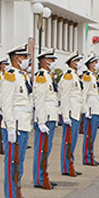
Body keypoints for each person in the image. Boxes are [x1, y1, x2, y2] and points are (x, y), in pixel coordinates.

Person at [0, 44, 33, 198]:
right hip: (15, 125)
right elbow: (6, 103)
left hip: (24, 124)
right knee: (12, 160)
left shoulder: (22, 76)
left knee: (20, 160)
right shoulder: (10, 75)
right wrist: (10, 126)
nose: (28, 60)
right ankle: (11, 193)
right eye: (25, 57)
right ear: (17, 59)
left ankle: (17, 189)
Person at [32, 50, 59, 190]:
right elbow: (39, 100)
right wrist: (41, 121)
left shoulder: (49, 76)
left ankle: (44, 175)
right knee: (41, 149)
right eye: (51, 59)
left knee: (46, 149)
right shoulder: (41, 76)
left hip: (51, 116)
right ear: (44, 60)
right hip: (46, 117)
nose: (54, 62)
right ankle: (38, 178)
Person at [59, 53, 83, 177]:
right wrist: (65, 115)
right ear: (72, 62)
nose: (79, 63)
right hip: (70, 112)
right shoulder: (68, 76)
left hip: (76, 111)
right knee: (67, 141)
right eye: (77, 60)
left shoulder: (75, 76)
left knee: (72, 141)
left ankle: (70, 164)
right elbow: (64, 96)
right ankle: (66, 167)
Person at [80, 55, 99, 166]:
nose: (97, 64)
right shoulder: (88, 76)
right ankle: (87, 157)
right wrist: (85, 110)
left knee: (93, 135)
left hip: (95, 108)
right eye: (95, 62)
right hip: (90, 108)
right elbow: (84, 94)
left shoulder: (93, 76)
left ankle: (91, 155)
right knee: (89, 135)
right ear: (91, 64)